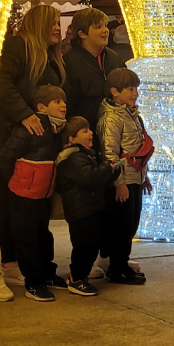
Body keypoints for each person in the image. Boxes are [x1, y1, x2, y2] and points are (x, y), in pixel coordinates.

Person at [0, 4, 65, 302]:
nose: (58, 27)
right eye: (53, 22)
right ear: (40, 23)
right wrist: (25, 115)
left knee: (16, 208)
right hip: (5, 141)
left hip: (29, 146)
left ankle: (10, 263)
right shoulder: (18, 46)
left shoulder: (50, 58)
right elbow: (1, 85)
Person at [0, 85, 70, 302]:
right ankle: (33, 282)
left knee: (43, 235)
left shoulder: (57, 130)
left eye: (63, 101)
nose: (63, 105)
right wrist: (16, 180)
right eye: (57, 102)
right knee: (27, 238)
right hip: (24, 192)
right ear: (41, 107)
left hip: (43, 193)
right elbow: (6, 156)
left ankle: (47, 273)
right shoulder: (31, 128)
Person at [54, 116, 123, 295]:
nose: (91, 133)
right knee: (84, 245)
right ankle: (76, 278)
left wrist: (113, 171)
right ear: (71, 138)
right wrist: (108, 168)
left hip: (90, 208)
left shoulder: (86, 155)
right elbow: (90, 178)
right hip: (80, 211)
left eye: (90, 129)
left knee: (91, 244)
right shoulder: (74, 158)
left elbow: (98, 178)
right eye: (85, 131)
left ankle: (81, 276)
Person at [98, 67, 152, 284]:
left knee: (131, 223)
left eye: (136, 89)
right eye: (130, 89)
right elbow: (110, 154)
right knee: (121, 226)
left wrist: (143, 177)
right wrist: (118, 182)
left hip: (135, 179)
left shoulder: (131, 114)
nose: (135, 93)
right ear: (114, 92)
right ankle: (117, 267)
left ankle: (122, 263)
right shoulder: (112, 118)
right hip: (123, 182)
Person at [63, 6, 127, 129]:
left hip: (115, 129)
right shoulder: (69, 62)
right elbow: (68, 103)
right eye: (98, 27)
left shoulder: (114, 57)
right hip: (84, 131)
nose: (105, 30)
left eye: (105, 25)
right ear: (82, 34)